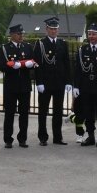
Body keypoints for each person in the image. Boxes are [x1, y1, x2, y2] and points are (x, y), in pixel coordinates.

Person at [33, 16, 72, 145]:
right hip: (45, 83)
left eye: (55, 29)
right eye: (51, 29)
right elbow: (37, 65)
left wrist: (68, 81)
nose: (54, 31)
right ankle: (43, 137)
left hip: (59, 83)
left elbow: (67, 63)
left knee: (58, 111)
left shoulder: (62, 44)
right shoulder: (40, 44)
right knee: (43, 111)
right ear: (46, 29)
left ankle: (57, 137)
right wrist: (39, 82)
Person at [73, 24, 97, 147]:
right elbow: (78, 70)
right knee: (88, 112)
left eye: (94, 34)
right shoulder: (82, 50)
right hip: (86, 86)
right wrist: (76, 86)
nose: (91, 36)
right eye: (89, 34)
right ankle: (90, 136)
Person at [0, 24, 34, 148]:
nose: (21, 36)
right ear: (12, 35)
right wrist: (12, 66)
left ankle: (22, 139)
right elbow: (2, 66)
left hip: (24, 85)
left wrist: (29, 64)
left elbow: (34, 62)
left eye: (22, 34)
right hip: (11, 85)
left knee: (24, 114)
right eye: (19, 34)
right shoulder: (5, 48)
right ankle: (8, 139)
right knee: (9, 113)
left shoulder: (27, 47)